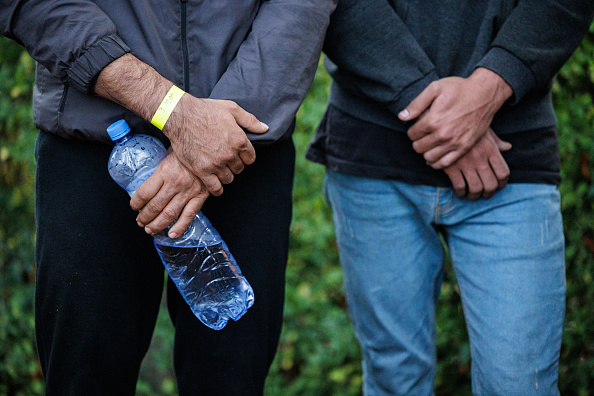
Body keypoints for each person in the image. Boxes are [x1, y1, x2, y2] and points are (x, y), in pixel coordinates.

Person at [1, 0, 337, 394]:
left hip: (242, 146)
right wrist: (174, 112)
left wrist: (217, 132)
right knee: (84, 378)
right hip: (93, 142)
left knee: (232, 380)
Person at [307, 1, 594, 394]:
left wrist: (489, 89)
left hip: (512, 159)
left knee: (519, 384)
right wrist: (444, 111)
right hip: (373, 158)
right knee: (395, 379)